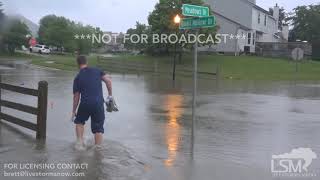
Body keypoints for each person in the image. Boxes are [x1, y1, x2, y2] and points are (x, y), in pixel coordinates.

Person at [72, 55, 112, 148]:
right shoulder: (97, 70)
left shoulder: (77, 77)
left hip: (85, 103)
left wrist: (74, 111)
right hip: (98, 103)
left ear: (77, 64)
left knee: (79, 122)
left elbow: (76, 96)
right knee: (98, 129)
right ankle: (98, 150)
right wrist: (110, 96)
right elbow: (108, 81)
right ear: (87, 62)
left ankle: (79, 145)